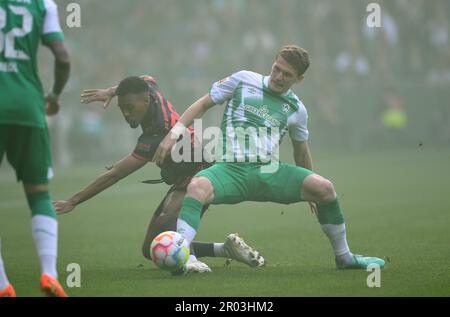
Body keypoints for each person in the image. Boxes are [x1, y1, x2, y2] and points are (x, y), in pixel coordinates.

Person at [153, 45, 385, 271]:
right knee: (197, 187)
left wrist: (311, 190)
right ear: (272, 63)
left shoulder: (297, 109)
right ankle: (186, 257)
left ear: (299, 79)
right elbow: (203, 104)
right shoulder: (243, 79)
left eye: (287, 74)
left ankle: (344, 258)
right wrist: (173, 135)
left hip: (267, 172)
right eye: (277, 68)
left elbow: (301, 151)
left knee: (325, 188)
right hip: (229, 171)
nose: (278, 76)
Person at [53, 75, 265, 274]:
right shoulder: (151, 91)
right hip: (185, 174)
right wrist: (112, 90)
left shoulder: (156, 135)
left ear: (146, 101)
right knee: (150, 248)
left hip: (201, 173)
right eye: (122, 108)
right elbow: (147, 77)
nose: (126, 113)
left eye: (130, 108)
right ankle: (224, 250)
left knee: (167, 221)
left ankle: (190, 261)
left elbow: (114, 175)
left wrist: (74, 200)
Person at [0, 0, 70, 297]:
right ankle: (49, 273)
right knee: (40, 195)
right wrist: (53, 95)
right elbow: (63, 58)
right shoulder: (43, 4)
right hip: (29, 107)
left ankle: (3, 285)